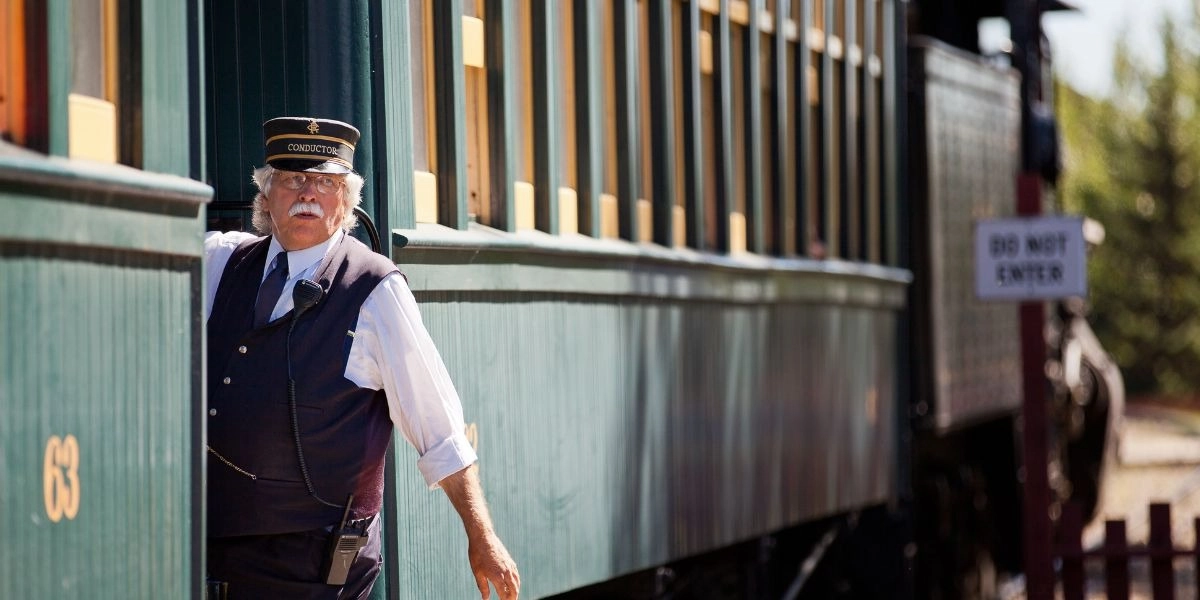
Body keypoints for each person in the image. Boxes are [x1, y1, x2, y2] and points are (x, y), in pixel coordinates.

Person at [203, 116, 520, 599]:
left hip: (316, 561)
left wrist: (482, 535)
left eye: (326, 183)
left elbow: (438, 429)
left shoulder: (375, 290)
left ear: (347, 201)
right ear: (265, 197)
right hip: (218, 546)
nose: (308, 194)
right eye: (292, 180)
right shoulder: (222, 260)